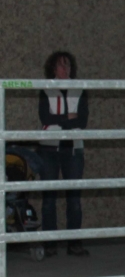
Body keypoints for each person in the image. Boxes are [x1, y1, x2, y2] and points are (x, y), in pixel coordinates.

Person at [39, 51, 89, 257]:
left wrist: (59, 119)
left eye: (68, 65)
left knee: (74, 199)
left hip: (73, 149)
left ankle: (74, 243)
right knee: (49, 199)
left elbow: (82, 121)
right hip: (48, 149)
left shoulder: (80, 88)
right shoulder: (45, 89)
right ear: (53, 68)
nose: (65, 69)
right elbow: (44, 117)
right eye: (61, 65)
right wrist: (68, 117)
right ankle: (50, 244)